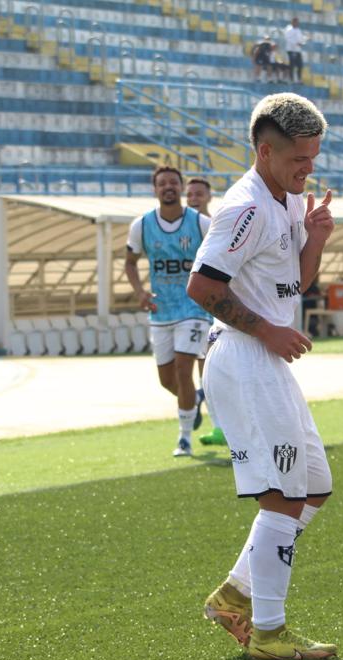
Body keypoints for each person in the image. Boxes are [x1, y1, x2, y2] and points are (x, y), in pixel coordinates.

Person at [187, 92, 338, 660]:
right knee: (281, 497)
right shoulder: (244, 208)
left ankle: (236, 594)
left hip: (267, 360)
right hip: (245, 358)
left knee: (314, 486)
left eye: (313, 158)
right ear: (264, 150)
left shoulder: (286, 202)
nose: (308, 169)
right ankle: (268, 633)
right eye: (299, 159)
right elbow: (202, 288)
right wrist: (267, 331)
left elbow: (290, 288)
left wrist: (316, 240)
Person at [124, 166, 212, 456]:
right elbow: (129, 261)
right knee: (167, 380)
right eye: (162, 184)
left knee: (184, 367)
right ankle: (191, 402)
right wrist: (140, 292)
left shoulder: (200, 223)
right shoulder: (142, 225)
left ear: (181, 187)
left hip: (193, 307)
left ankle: (184, 438)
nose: (168, 187)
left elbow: (220, 256)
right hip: (160, 310)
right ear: (155, 190)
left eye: (173, 182)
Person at [184, 177, 228, 447]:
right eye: (190, 194)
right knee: (179, 376)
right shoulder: (179, 228)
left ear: (209, 197)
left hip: (207, 307)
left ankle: (221, 427)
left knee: (209, 367)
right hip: (181, 307)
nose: (194, 198)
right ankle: (201, 403)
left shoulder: (215, 227)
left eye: (199, 193)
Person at [283, 17, 305, 83]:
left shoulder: (298, 30)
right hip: (291, 49)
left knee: (300, 65)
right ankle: (291, 79)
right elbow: (288, 39)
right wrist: (296, 43)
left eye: (297, 22)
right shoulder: (289, 29)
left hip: (298, 50)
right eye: (295, 21)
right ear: (292, 22)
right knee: (291, 65)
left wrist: (302, 42)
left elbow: (300, 39)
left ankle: (299, 79)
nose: (296, 23)